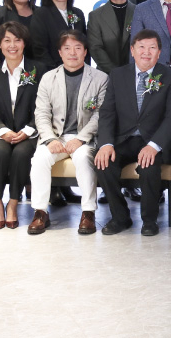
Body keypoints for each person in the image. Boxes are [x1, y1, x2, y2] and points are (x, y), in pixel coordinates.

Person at [94, 29, 171, 236]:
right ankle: (120, 217)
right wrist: (106, 144)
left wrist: (154, 146)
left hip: (155, 140)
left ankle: (149, 220)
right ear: (132, 50)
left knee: (149, 166)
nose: (147, 52)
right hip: (124, 138)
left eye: (152, 47)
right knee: (104, 164)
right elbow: (107, 113)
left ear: (159, 52)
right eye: (141, 47)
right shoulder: (118, 75)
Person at [28, 31, 108, 235]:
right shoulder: (48, 78)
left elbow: (100, 115)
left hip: (85, 138)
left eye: (78, 48)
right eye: (67, 48)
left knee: (82, 159)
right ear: (60, 53)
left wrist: (81, 139)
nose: (73, 53)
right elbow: (42, 112)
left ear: (85, 52)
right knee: (39, 159)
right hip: (56, 136)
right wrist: (49, 139)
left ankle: (88, 212)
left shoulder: (100, 78)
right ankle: (40, 212)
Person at [0, 21, 44, 229]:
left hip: (30, 132)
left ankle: (14, 203)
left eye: (17, 40)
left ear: (24, 43)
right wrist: (3, 131)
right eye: (7, 40)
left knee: (21, 153)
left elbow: (44, 107)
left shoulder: (39, 71)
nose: (12, 45)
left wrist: (27, 131)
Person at [30, 0, 87, 68]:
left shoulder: (78, 13)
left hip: (80, 72)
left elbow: (85, 45)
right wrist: (58, 72)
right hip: (53, 73)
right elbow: (39, 50)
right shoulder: (41, 14)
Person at [87, 0, 136, 74]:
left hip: (136, 74)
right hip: (106, 74)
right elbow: (95, 48)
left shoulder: (139, 12)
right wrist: (115, 72)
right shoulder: (95, 16)